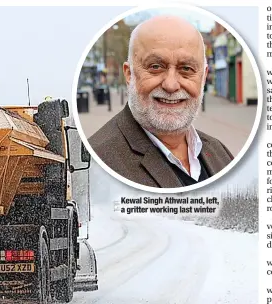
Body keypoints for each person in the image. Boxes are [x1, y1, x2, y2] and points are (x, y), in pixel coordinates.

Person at [88, 15, 233, 188]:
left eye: (186, 69)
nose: (171, 85)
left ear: (203, 77)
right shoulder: (96, 162)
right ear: (129, 74)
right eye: (155, 67)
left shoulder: (220, 152)